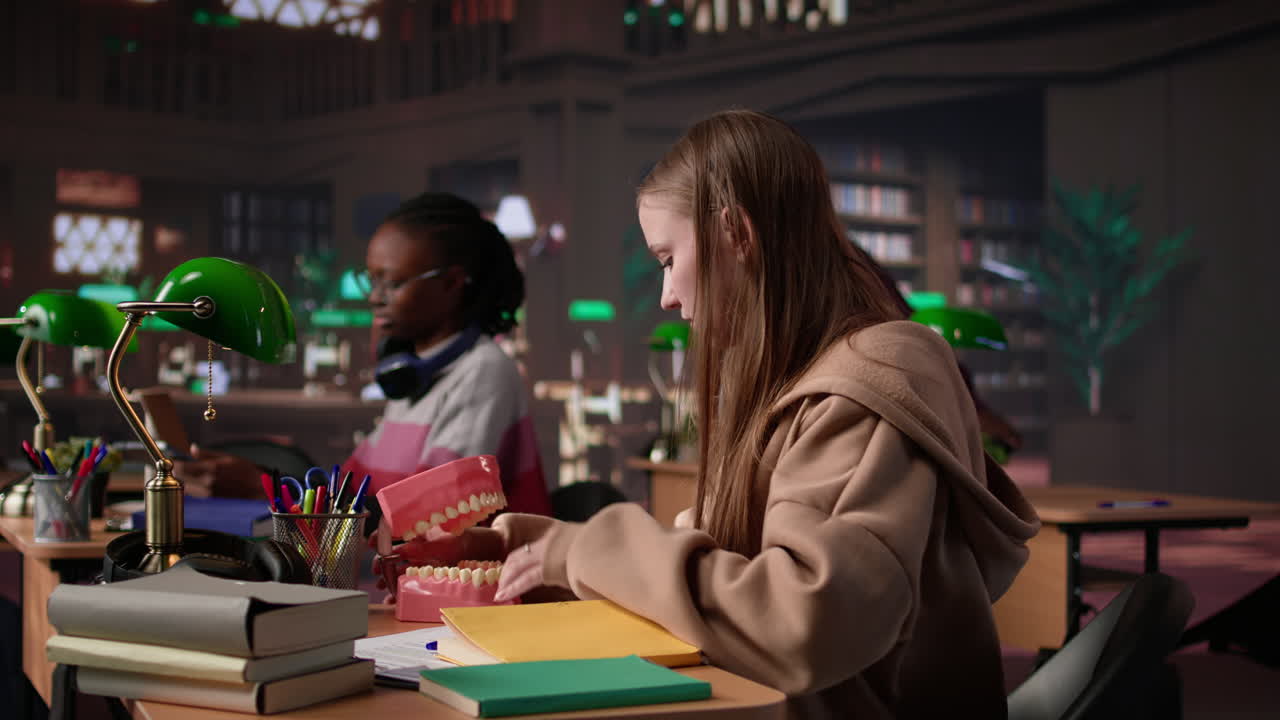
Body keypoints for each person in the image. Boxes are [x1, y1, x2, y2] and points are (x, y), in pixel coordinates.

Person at [410, 110, 1041, 719]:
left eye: (667, 259)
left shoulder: (861, 389)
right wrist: (538, 548)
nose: (666, 295)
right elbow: (727, 563)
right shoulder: (796, 378)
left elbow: (801, 624)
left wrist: (586, 552)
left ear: (736, 233)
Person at [176, 192, 551, 518]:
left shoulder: (483, 371)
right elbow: (349, 494)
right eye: (372, 280)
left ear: (452, 283)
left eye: (393, 282)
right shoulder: (415, 378)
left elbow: (435, 518)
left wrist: (267, 491)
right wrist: (262, 480)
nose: (374, 297)